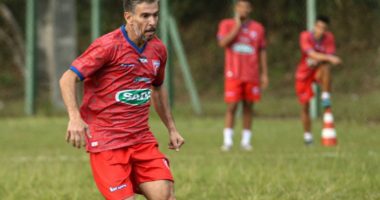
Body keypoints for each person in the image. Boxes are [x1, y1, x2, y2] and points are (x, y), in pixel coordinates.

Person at [59, 0, 185, 199]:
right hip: (107, 142)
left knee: (166, 195)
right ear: (128, 17)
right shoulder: (108, 46)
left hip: (141, 139)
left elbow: (158, 89)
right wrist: (74, 118)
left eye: (155, 15)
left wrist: (171, 128)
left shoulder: (158, 49)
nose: (152, 21)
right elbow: (68, 78)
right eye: (145, 16)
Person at [217, 0, 268, 151]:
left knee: (248, 107)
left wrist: (264, 73)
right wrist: (237, 27)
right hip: (233, 73)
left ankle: (246, 141)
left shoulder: (258, 28)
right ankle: (228, 141)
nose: (243, 10)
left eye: (246, 7)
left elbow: (262, 50)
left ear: (250, 9)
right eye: (240, 7)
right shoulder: (226, 24)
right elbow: (222, 43)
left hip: (251, 74)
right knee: (232, 106)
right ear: (236, 8)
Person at [295, 15, 342, 145]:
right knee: (305, 106)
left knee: (326, 67)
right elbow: (311, 54)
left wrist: (326, 59)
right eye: (319, 27)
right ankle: (308, 136)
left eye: (324, 28)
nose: (321, 30)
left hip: (317, 71)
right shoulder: (305, 36)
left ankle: (325, 97)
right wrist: (329, 58)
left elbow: (328, 56)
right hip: (304, 73)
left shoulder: (329, 38)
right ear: (314, 26)